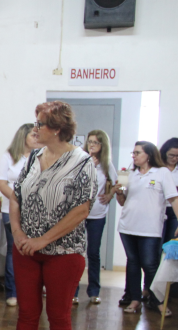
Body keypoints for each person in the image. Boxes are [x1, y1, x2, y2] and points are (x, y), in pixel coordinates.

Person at [3, 101, 97, 330]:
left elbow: (81, 210)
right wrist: (17, 233)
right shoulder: (33, 157)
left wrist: (43, 240)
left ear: (56, 129)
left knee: (58, 316)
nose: (35, 129)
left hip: (64, 252)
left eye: (40, 124)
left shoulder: (82, 162)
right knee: (27, 314)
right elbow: (16, 197)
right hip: (25, 249)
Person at [115, 141, 178, 315]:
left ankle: (157, 300)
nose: (134, 156)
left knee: (150, 264)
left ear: (148, 155)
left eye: (137, 153)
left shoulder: (162, 173)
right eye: (133, 153)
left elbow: (173, 199)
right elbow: (123, 202)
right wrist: (119, 192)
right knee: (133, 263)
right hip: (127, 226)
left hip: (150, 228)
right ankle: (135, 299)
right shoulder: (130, 174)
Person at [0, 123, 37, 306]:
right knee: (14, 250)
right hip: (10, 210)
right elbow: (1, 183)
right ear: (23, 137)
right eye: (33, 135)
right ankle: (12, 292)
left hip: (35, 211)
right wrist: (17, 200)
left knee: (33, 251)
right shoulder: (9, 156)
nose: (36, 138)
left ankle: (30, 291)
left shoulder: (41, 155)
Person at [73, 130, 117, 305]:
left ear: (102, 146)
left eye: (96, 142)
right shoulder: (80, 161)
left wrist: (110, 195)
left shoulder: (106, 165)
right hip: (78, 213)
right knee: (76, 252)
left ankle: (94, 291)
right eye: (90, 141)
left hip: (97, 214)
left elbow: (115, 184)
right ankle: (73, 291)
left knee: (93, 253)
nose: (92, 145)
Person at [160, 138, 178, 245]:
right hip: (159, 208)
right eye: (172, 155)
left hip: (175, 210)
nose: (175, 158)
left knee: (171, 243)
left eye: (177, 156)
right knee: (157, 243)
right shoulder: (158, 168)